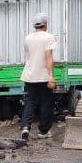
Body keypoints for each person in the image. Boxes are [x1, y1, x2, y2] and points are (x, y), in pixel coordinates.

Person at [19, 12, 56, 140]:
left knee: (31, 102)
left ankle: (25, 127)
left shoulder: (28, 38)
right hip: (43, 76)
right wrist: (51, 75)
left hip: (29, 75)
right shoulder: (49, 37)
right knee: (46, 103)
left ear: (35, 25)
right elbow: (48, 57)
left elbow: (29, 56)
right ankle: (43, 131)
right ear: (45, 24)